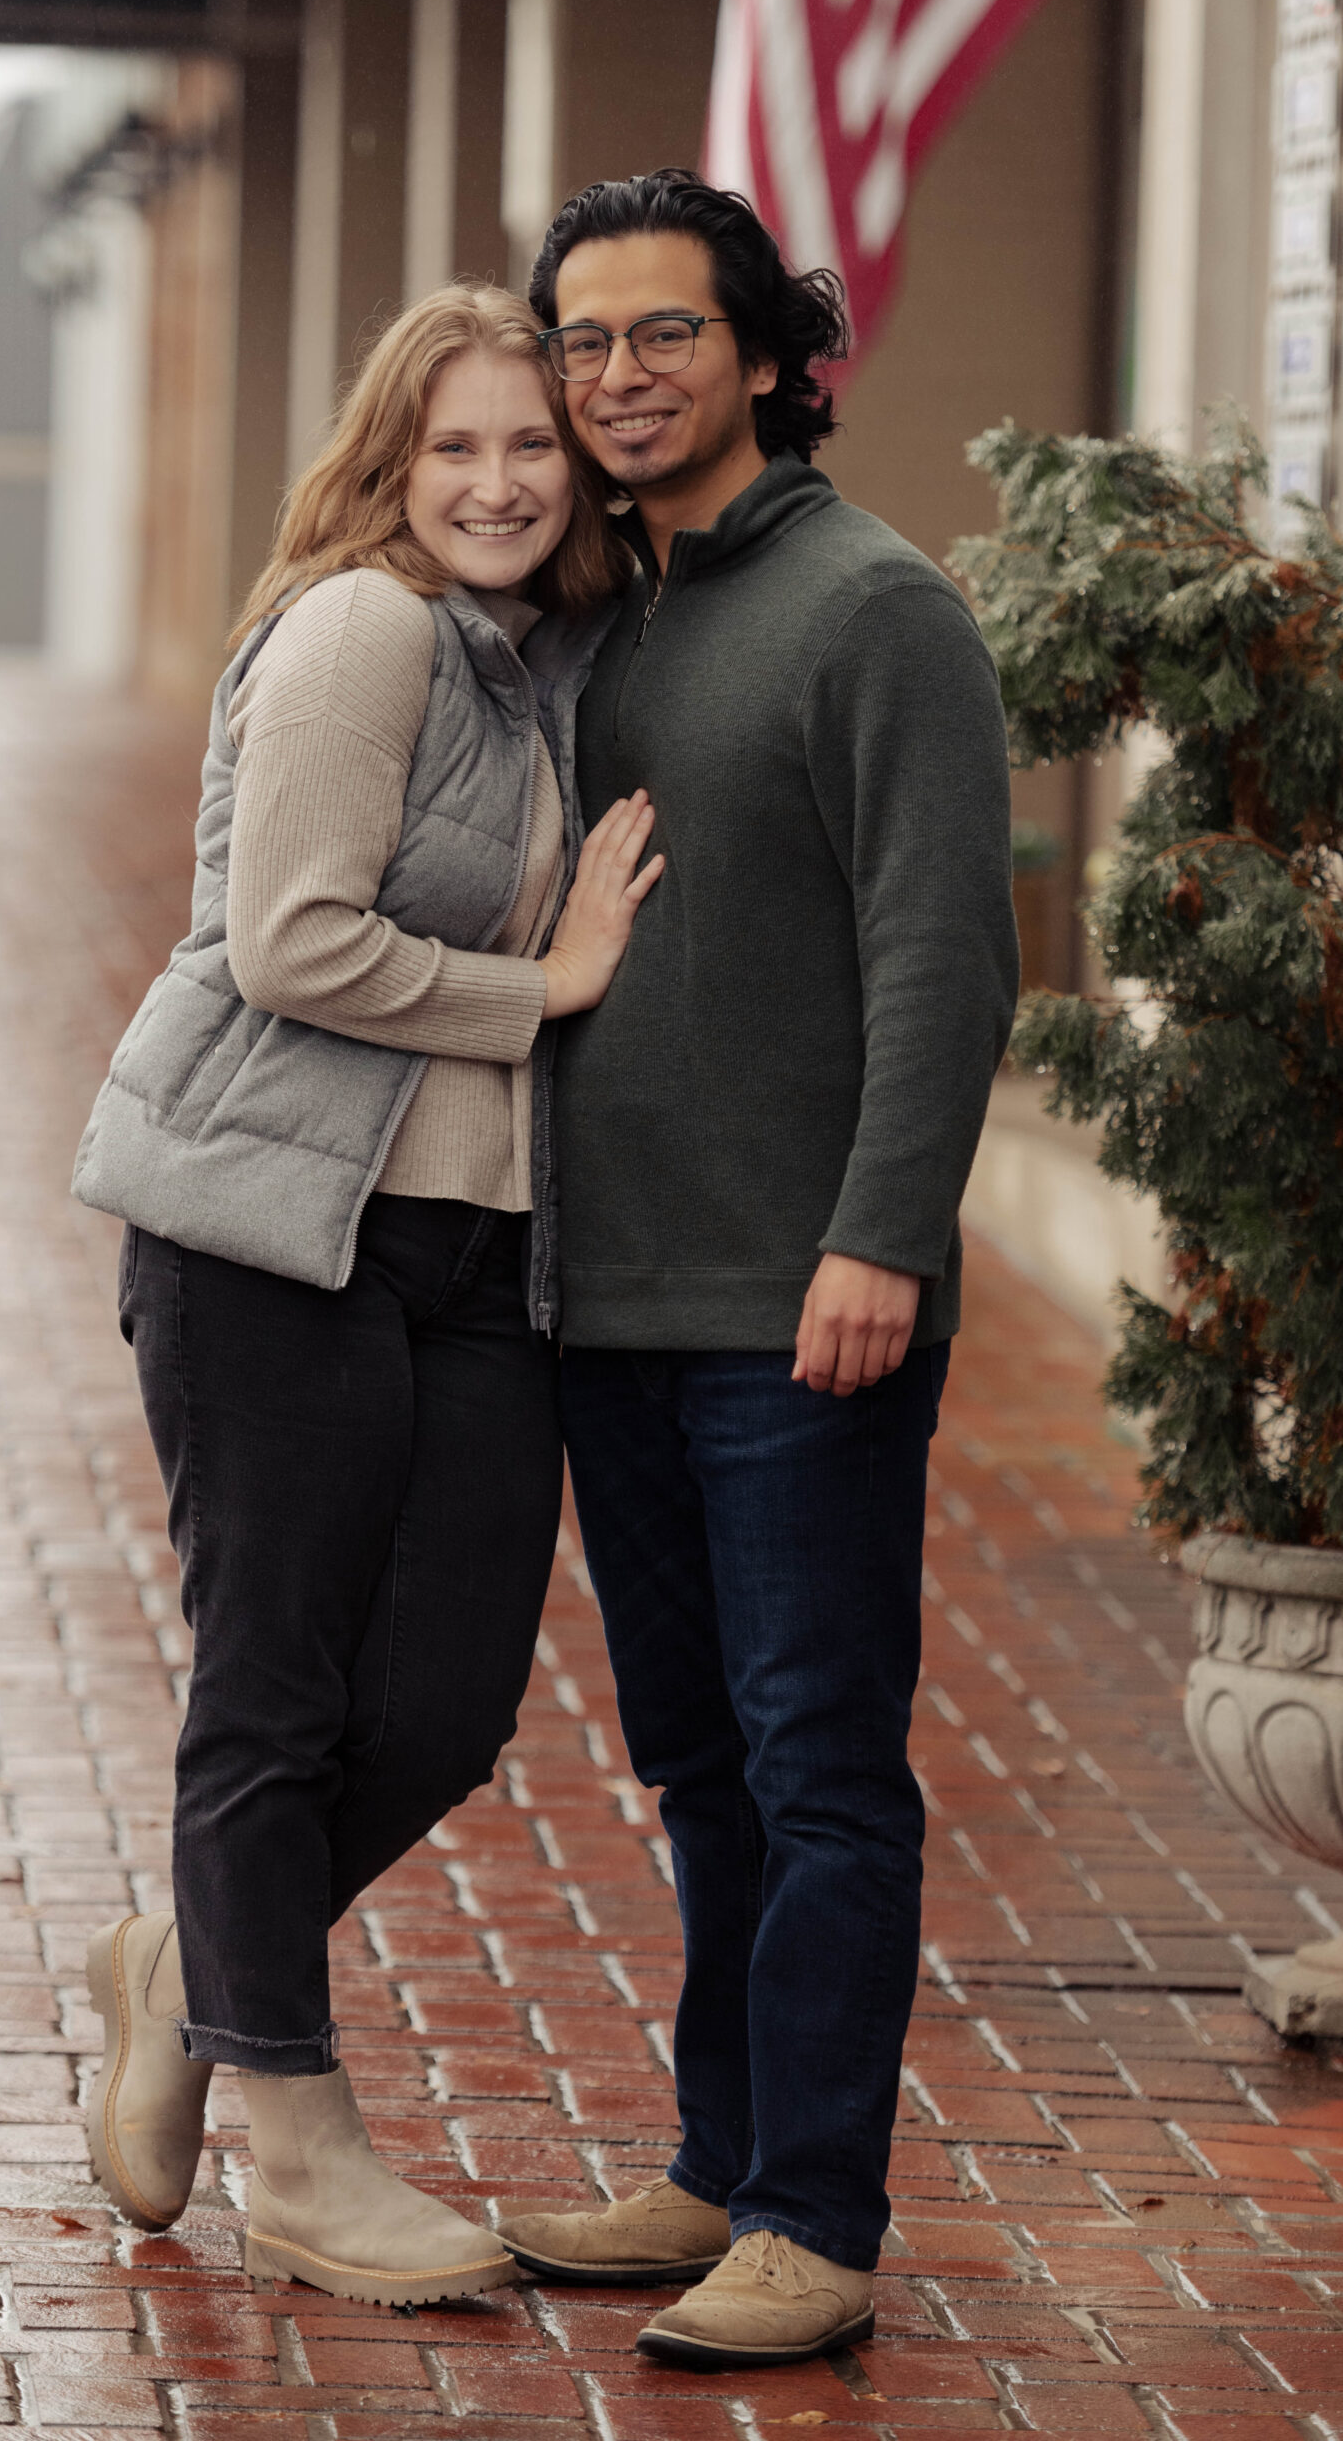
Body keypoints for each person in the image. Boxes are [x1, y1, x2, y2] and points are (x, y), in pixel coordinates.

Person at [69, 285, 660, 2306]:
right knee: (277, 1683)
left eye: (531, 446)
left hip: (468, 1244)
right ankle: (298, 2145)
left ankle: (181, 1957)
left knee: (448, 1698)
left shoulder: (545, 663)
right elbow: (290, 935)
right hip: (264, 1226)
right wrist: (548, 989)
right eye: (456, 448)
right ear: (391, 470)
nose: (498, 482)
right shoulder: (366, 628)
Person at [496, 172, 1020, 2370]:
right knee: (696, 1760)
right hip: (611, 1296)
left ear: (766, 352)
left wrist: (882, 1231)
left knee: (820, 1767)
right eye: (585, 343)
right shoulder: (609, 616)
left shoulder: (872, 608)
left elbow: (943, 950)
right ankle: (719, 2161)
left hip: (798, 1303)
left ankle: (814, 2210)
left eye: (663, 335)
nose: (620, 376)